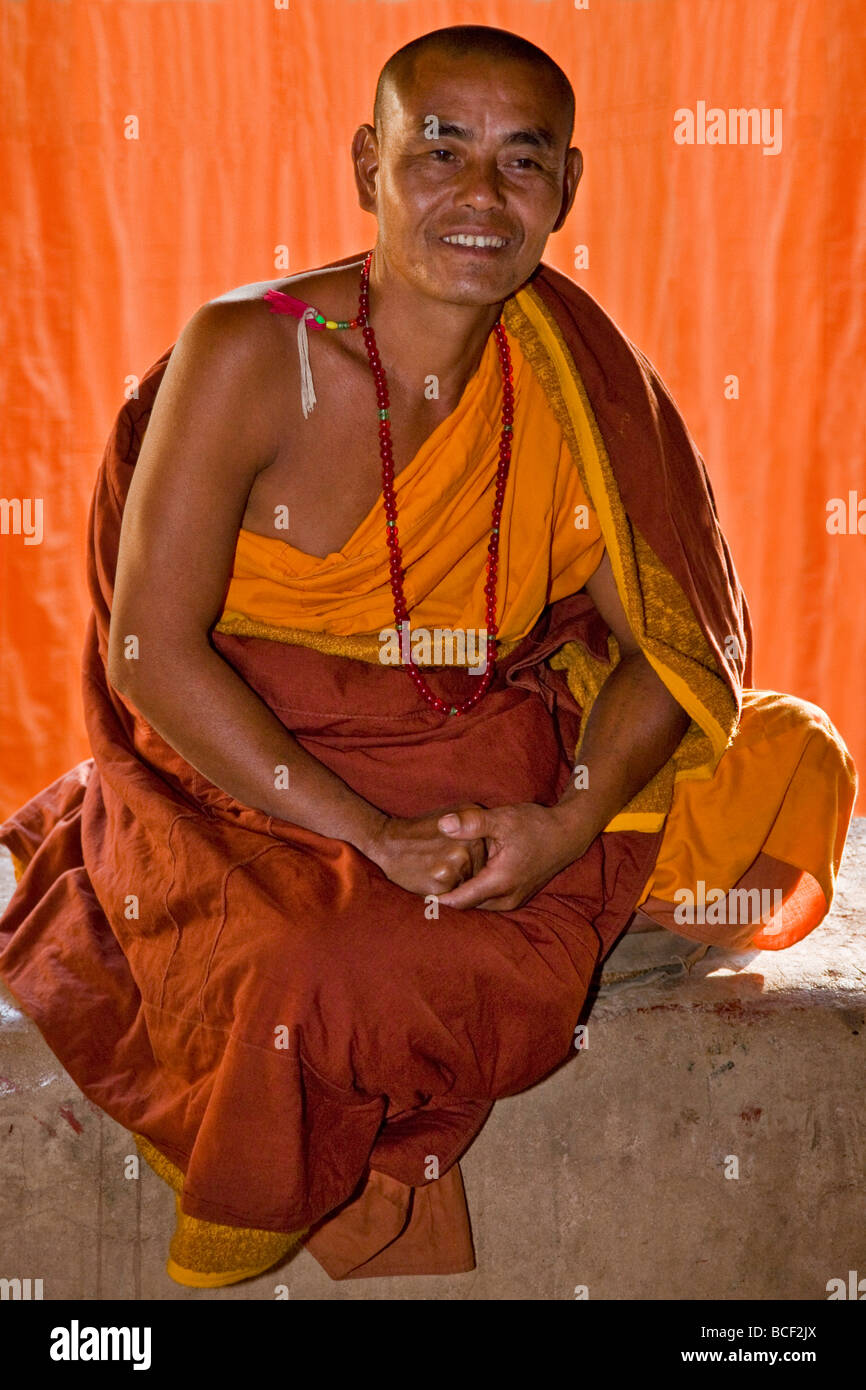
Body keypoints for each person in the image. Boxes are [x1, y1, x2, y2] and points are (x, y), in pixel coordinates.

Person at [0, 25, 856, 1287]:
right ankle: (475, 921)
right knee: (320, 972)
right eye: (436, 150)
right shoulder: (250, 351)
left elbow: (662, 648)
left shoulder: (571, 373)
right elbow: (152, 656)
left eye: (520, 162)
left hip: (478, 735)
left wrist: (563, 826)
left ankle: (550, 880)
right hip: (258, 758)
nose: (476, 196)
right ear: (368, 164)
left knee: (789, 754)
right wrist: (366, 831)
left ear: (564, 188)